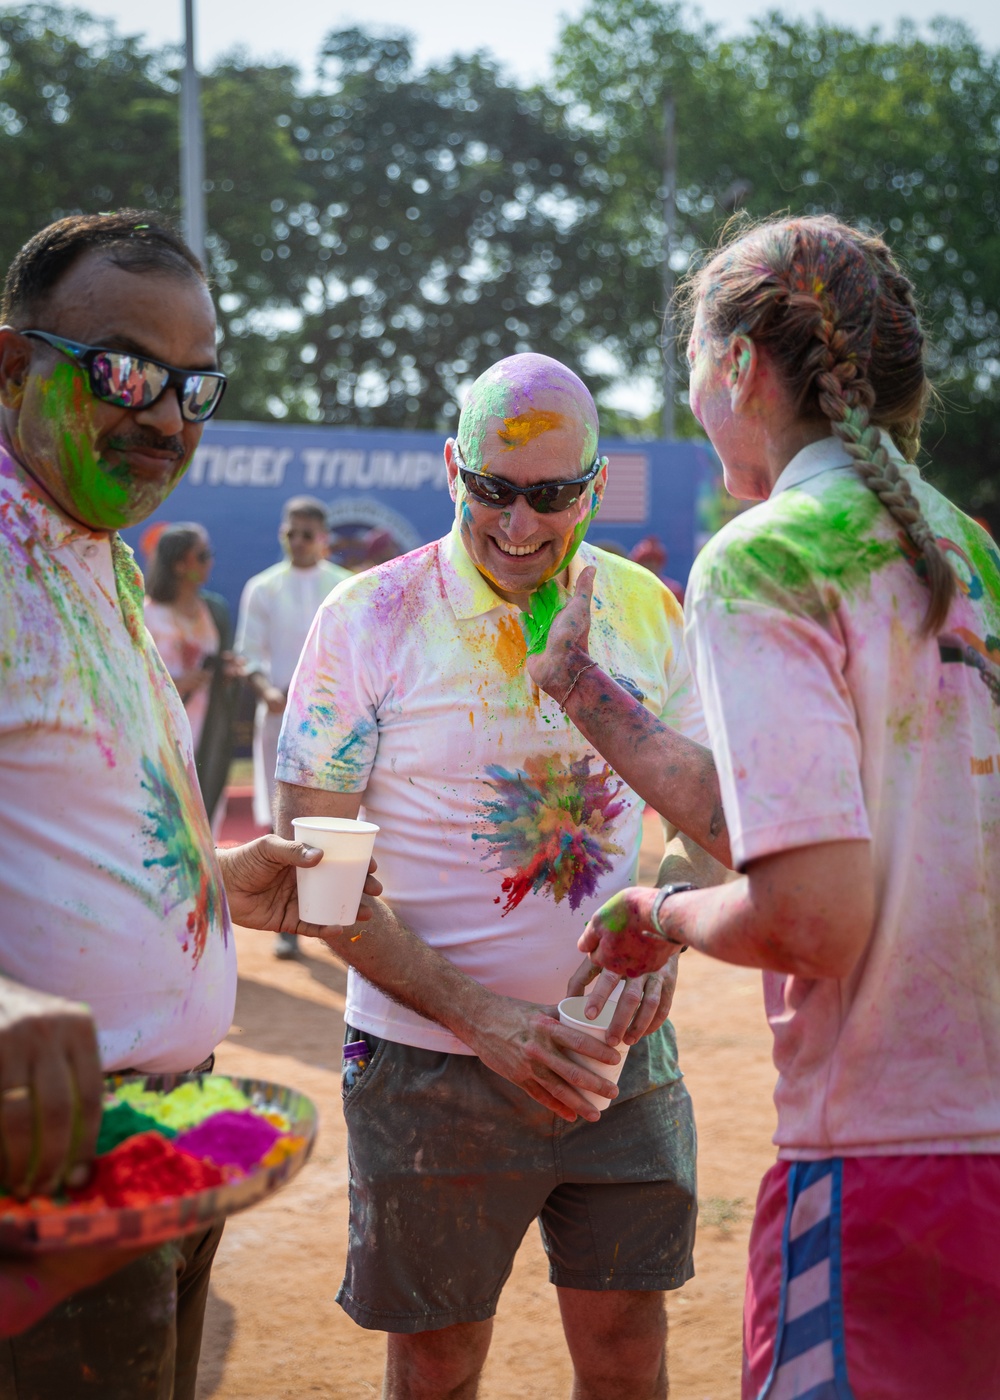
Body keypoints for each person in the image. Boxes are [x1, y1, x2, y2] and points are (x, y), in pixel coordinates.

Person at [574, 215, 1000, 1399]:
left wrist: (661, 914)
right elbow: (828, 827)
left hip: (886, 1177)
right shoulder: (972, 556)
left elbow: (811, 916)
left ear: (738, 369)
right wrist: (585, 693)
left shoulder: (765, 555)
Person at [274, 352, 728, 1400]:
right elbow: (322, 878)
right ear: (451, 468)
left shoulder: (647, 610)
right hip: (426, 1069)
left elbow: (709, 820)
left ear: (595, 486)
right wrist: (483, 1018)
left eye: (553, 495)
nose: (520, 525)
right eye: (493, 490)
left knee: (627, 1355)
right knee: (437, 1365)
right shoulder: (365, 617)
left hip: (619, 1055)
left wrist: (664, 905)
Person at [0, 211, 379, 1385]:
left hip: (161, 1151)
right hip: (42, 1170)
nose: (165, 415)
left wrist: (221, 888)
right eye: (124, 371)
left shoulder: (100, 547)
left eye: (195, 386)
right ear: (13, 366)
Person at [235, 497, 349, 957]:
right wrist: (265, 690)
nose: (298, 542)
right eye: (291, 533)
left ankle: (338, 916)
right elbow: (248, 653)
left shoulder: (345, 586)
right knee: (283, 815)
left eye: (307, 534)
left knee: (337, 816)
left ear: (322, 539)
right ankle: (288, 923)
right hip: (280, 717)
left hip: (336, 721)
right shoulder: (263, 587)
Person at [145, 521, 243, 827]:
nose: (209, 562)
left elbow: (217, 664)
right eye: (201, 555)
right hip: (158, 731)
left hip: (206, 728)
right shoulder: (145, 613)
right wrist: (172, 684)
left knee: (202, 813)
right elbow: (129, 676)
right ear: (177, 564)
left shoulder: (214, 610)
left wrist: (226, 672)